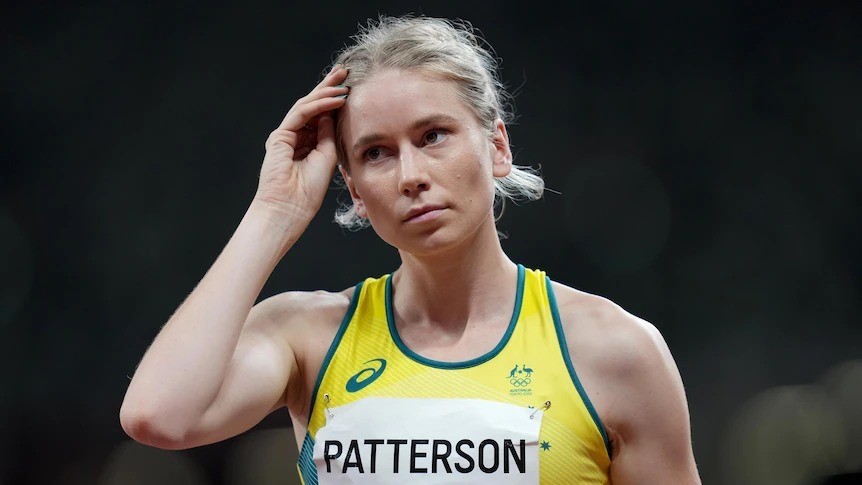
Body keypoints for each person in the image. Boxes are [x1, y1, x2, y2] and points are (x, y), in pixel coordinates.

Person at [120, 15, 701, 484]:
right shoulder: (309, 337)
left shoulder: (614, 352)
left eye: (433, 136)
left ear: (497, 146)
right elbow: (159, 415)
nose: (410, 175)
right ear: (352, 188)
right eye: (376, 153)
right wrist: (276, 210)